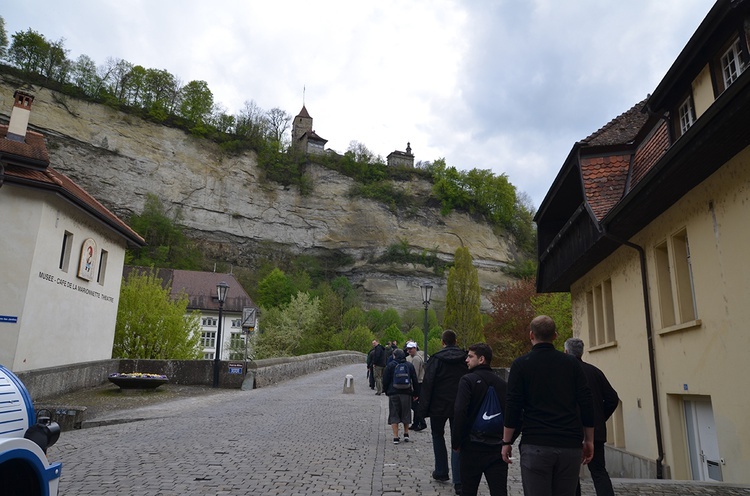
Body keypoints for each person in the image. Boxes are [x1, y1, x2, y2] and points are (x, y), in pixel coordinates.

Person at [501, 315, 595, 496]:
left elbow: (513, 405)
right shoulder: (572, 364)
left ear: (531, 335)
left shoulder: (521, 365)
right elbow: (586, 401)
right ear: (555, 336)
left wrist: (506, 441)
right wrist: (589, 439)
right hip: (569, 444)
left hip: (536, 443)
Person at [564, 338, 619, 496]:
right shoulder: (595, 372)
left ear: (566, 352)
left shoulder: (563, 373)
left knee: (571, 474)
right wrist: (599, 418)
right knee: (599, 472)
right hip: (595, 431)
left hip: (570, 430)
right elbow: (612, 399)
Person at [452, 343, 509, 496]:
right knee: (499, 491)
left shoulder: (467, 380)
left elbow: (459, 411)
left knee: (468, 491)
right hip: (497, 447)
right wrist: (507, 441)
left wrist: (457, 441)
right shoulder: (502, 384)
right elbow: (514, 415)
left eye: (470, 357)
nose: (466, 360)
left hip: (472, 447)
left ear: (482, 359)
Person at [418, 329, 468, 495]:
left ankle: (441, 471)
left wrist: (422, 409)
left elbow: (427, 385)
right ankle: (459, 481)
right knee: (458, 440)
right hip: (460, 406)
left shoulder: (436, 360)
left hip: (438, 407)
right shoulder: (465, 359)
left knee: (437, 436)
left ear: (442, 342)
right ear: (455, 341)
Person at [382, 348, 419, 444]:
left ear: (394, 356)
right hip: (406, 392)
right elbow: (415, 380)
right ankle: (406, 433)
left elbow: (385, 380)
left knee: (394, 414)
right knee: (406, 413)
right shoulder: (409, 365)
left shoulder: (390, 366)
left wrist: (386, 390)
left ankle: (395, 436)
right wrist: (416, 393)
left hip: (393, 392)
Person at [406, 341, 427, 431]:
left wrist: (414, 389)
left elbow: (415, 374)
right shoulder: (417, 357)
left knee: (414, 405)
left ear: (415, 348)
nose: (409, 350)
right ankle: (416, 423)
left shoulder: (416, 359)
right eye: (408, 349)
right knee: (415, 404)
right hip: (419, 382)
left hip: (418, 383)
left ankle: (422, 422)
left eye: (411, 349)